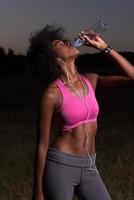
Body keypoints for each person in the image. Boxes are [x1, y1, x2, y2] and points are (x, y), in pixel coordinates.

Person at [27, 24, 134, 200]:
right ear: (53, 59)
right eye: (59, 44)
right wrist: (38, 191)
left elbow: (132, 76)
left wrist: (104, 48)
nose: (67, 42)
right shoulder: (52, 94)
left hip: (90, 166)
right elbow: (42, 145)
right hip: (61, 166)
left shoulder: (90, 80)